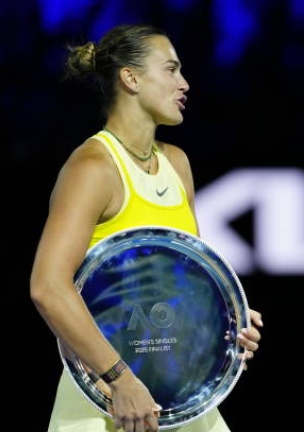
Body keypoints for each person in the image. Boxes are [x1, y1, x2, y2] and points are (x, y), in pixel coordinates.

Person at [30, 24, 263, 432]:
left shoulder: (177, 163)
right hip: (108, 401)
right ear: (131, 78)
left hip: (181, 398)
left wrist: (225, 322)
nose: (184, 83)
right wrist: (120, 379)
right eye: (171, 70)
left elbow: (187, 289)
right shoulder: (93, 167)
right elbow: (48, 287)